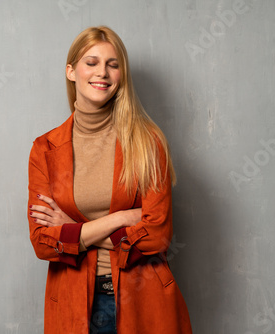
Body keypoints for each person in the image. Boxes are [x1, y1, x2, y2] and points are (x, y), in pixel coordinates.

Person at [27, 26, 192, 334]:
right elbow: (42, 243)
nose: (102, 72)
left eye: (113, 64)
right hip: (74, 302)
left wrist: (73, 230)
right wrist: (121, 218)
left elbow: (157, 237)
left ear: (121, 75)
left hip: (142, 300)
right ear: (71, 71)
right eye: (91, 62)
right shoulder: (45, 149)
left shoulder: (147, 142)